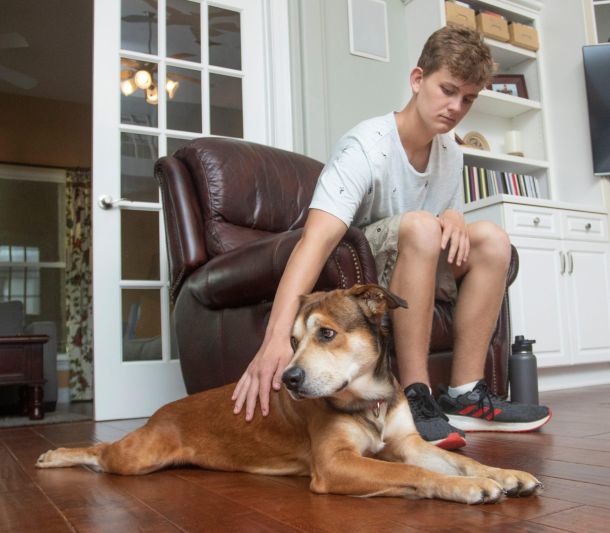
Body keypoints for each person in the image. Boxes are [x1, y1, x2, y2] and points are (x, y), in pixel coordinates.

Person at [232, 25, 550, 449]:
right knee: (422, 225)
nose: (456, 108)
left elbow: (446, 220)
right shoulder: (366, 146)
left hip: (419, 260)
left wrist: (454, 215)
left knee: (492, 238)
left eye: (468, 99)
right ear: (418, 80)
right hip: (363, 270)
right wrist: (276, 338)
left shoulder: (451, 152)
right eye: (447, 90)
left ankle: (465, 394)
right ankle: (416, 394)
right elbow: (315, 241)